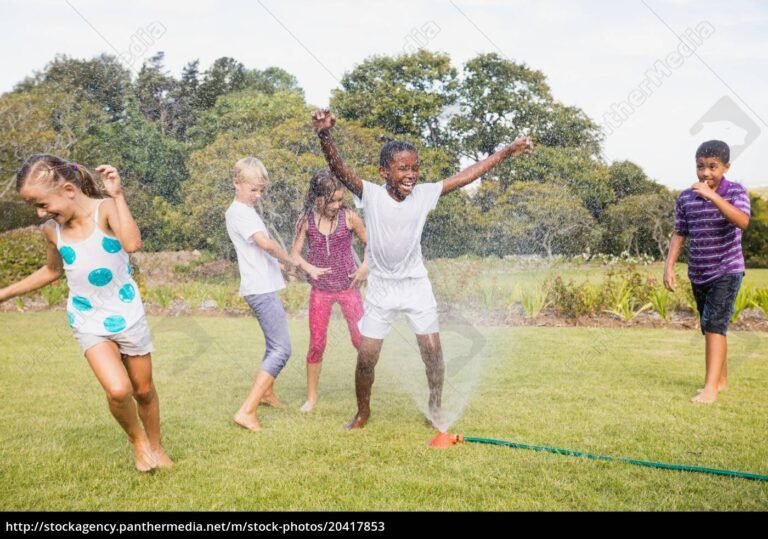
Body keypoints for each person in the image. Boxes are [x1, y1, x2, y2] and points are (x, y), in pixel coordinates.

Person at [311, 108, 532, 430]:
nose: (411, 175)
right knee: (367, 356)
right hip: (382, 288)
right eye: (402, 169)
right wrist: (324, 134)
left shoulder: (425, 194)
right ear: (384, 171)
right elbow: (339, 168)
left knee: (431, 349)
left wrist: (507, 151)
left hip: (415, 284)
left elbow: (468, 174)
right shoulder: (370, 195)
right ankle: (362, 413)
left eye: (415, 168)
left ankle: (435, 407)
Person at [0, 154, 172, 471]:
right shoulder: (53, 231)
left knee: (144, 391)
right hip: (87, 319)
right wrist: (5, 293)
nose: (40, 213)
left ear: (68, 189)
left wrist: (118, 195)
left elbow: (132, 244)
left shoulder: (105, 209)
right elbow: (53, 270)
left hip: (127, 314)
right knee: (119, 390)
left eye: (42, 204)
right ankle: (139, 441)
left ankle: (157, 446)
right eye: (34, 207)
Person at [225, 157, 324, 431]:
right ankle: (247, 410)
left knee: (273, 345)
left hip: (263, 284)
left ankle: (267, 393)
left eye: (261, 190)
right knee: (282, 349)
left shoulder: (244, 210)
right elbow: (265, 244)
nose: (258, 195)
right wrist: (291, 261)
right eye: (253, 189)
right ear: (237, 183)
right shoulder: (240, 212)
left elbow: (258, 252)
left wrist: (281, 267)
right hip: (260, 289)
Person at [664, 140, 751, 404]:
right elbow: (680, 234)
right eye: (701, 167)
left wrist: (713, 196)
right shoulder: (686, 197)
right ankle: (721, 380)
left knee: (715, 325)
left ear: (726, 167)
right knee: (709, 326)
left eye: (713, 167)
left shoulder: (735, 191)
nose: (705, 173)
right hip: (699, 271)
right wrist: (668, 267)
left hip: (727, 269)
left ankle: (710, 389)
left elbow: (743, 221)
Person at [291, 170, 368, 413]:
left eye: (339, 199)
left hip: (348, 287)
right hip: (321, 290)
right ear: (317, 198)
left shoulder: (350, 218)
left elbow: (371, 244)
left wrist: (365, 267)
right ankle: (311, 397)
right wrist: (308, 266)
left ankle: (366, 388)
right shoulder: (306, 220)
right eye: (331, 200)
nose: (336, 205)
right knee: (317, 344)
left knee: (361, 340)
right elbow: (294, 255)